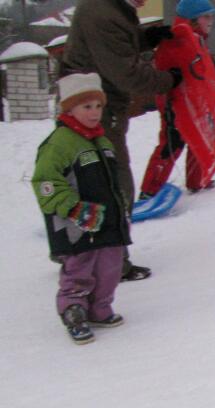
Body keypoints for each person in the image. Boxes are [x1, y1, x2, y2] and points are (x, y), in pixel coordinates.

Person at [60, 0, 180, 282]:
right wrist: (169, 80)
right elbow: (126, 74)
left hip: (90, 106)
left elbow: (112, 48)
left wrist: (145, 38)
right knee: (112, 184)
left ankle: (76, 254)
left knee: (88, 182)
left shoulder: (109, 7)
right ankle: (110, 263)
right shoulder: (103, 13)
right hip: (93, 112)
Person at [32, 74, 130, 344]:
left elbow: (112, 181)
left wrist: (121, 209)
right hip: (76, 224)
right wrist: (73, 207)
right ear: (69, 108)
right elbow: (45, 182)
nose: (94, 113)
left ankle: (99, 308)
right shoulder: (60, 143)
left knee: (110, 267)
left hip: (108, 222)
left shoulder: (102, 142)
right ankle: (74, 311)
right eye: (86, 107)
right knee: (79, 269)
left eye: (98, 106)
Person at [138, 0, 215, 200]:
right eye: (206, 16)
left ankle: (197, 181)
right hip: (175, 101)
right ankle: (149, 191)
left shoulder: (194, 39)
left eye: (211, 16)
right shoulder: (177, 39)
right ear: (192, 19)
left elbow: (207, 66)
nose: (211, 21)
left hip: (194, 99)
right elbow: (172, 68)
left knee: (201, 134)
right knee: (171, 144)